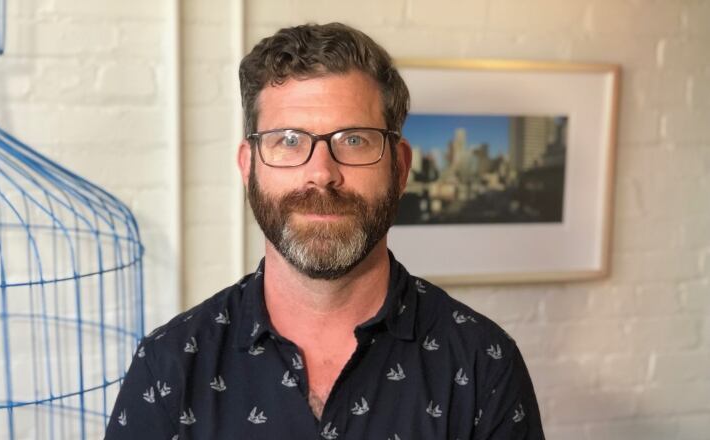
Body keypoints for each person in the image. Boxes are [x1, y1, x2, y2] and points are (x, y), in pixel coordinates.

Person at [105, 22, 544, 440]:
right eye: (289, 140)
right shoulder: (169, 366)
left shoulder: (483, 363)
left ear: (401, 167)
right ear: (248, 166)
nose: (322, 173)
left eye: (354, 140)